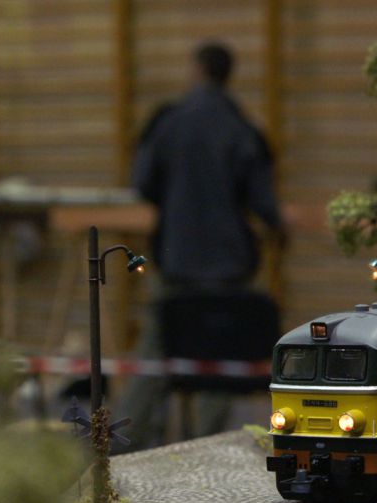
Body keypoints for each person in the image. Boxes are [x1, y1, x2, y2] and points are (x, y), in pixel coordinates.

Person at [119, 42, 286, 451]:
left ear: (197, 69)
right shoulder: (241, 128)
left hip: (175, 262)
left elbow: (142, 184)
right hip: (229, 267)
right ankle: (206, 448)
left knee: (156, 354)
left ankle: (124, 443)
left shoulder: (168, 122)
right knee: (220, 363)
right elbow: (263, 202)